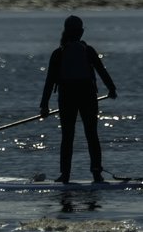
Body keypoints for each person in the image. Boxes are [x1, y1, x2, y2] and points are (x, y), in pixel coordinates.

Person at [39, 14, 117, 183]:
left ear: (65, 31)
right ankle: (97, 173)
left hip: (67, 97)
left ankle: (65, 175)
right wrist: (112, 90)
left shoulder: (58, 53)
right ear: (81, 32)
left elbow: (49, 81)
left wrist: (44, 106)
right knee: (92, 135)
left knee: (67, 136)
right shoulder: (88, 51)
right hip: (88, 96)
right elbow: (102, 71)